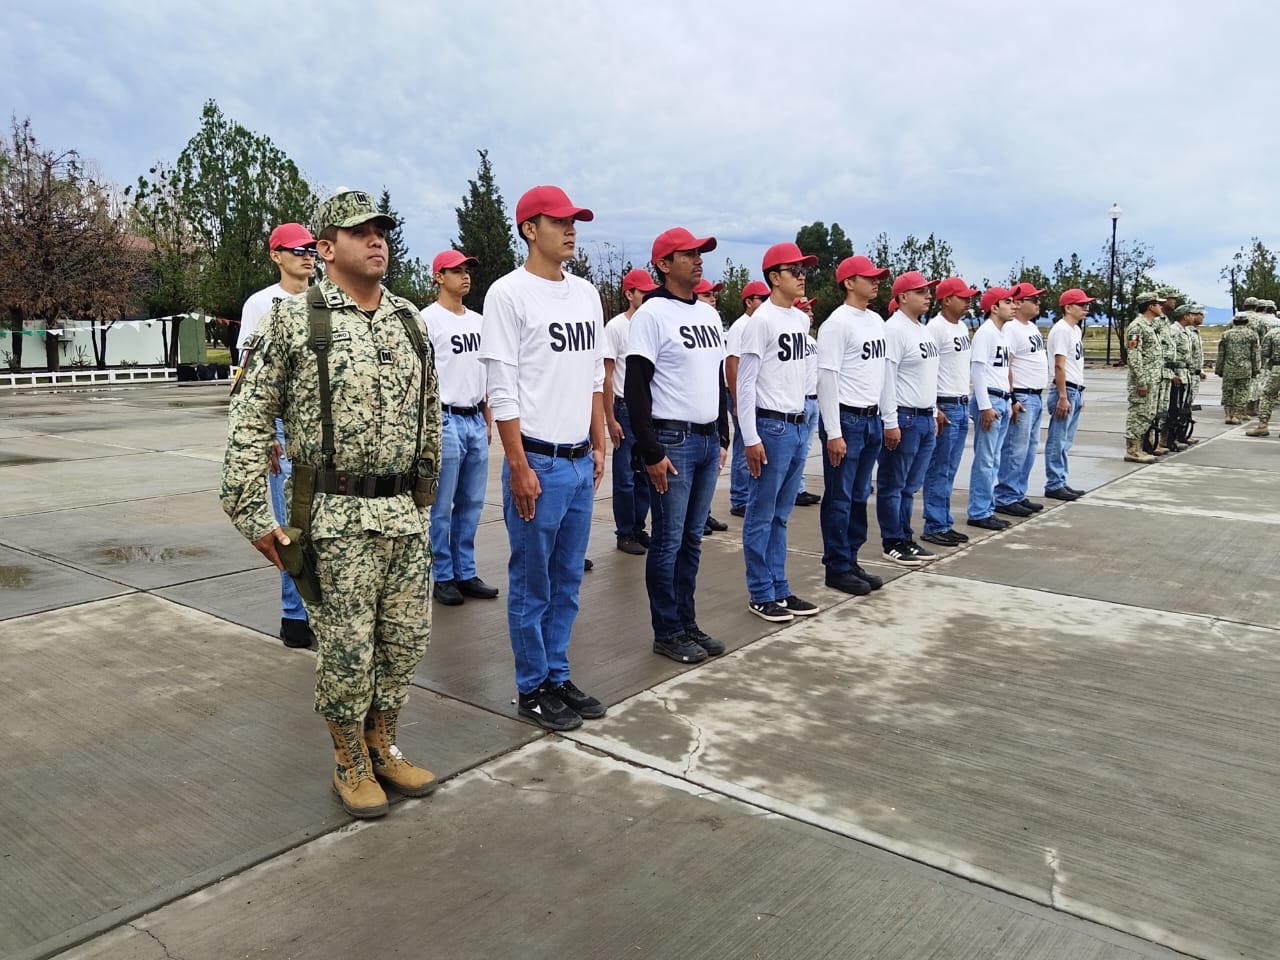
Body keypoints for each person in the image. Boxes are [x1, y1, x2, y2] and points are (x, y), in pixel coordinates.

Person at [222, 188, 442, 818]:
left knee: (404, 642)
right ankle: (349, 760)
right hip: (337, 519)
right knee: (347, 652)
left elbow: (428, 412)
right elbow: (249, 416)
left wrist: (425, 490)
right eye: (359, 231)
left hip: (401, 512)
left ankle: (383, 746)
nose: (376, 239)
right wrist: (254, 516)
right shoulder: (295, 319)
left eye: (382, 230)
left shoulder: (407, 318)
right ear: (325, 248)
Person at [479, 184, 606, 733]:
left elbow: (596, 376)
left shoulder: (586, 295)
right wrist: (518, 466)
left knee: (568, 581)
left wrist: (599, 443)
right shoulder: (508, 295)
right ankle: (532, 687)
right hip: (538, 462)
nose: (571, 228)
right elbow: (502, 388)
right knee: (533, 583)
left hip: (579, 461)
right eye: (559, 221)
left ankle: (558, 673)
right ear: (530, 228)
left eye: (574, 220)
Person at [625, 226, 730, 663]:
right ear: (664, 265)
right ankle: (667, 630)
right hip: (673, 439)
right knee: (667, 541)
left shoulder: (707, 315)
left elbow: (717, 379)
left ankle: (687, 622)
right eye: (687, 254)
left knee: (691, 539)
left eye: (700, 252)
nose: (698, 259)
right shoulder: (653, 315)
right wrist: (651, 451)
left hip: (706, 440)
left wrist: (723, 433)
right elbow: (635, 388)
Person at [236, 223, 318, 650]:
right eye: (297, 249)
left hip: (320, 423)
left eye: (311, 248)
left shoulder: (322, 299)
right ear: (275, 255)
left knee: (321, 521)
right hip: (283, 423)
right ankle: (294, 616)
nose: (307, 255)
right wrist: (264, 432)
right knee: (290, 522)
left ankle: (317, 609)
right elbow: (248, 374)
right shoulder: (261, 304)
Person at [736, 241, 822, 622]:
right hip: (770, 424)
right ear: (774, 277)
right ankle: (760, 591)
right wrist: (750, 436)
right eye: (795, 270)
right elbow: (745, 382)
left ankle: (780, 587)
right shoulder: (762, 321)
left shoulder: (799, 320)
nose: (802, 277)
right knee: (761, 512)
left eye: (804, 270)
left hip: (796, 420)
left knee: (781, 514)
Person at [422, 249, 500, 606]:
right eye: (455, 271)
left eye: (467, 269)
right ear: (438, 277)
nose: (464, 276)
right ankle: (443, 574)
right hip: (444, 417)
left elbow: (484, 372)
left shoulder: (480, 321)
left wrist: (487, 416)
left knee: (471, 501)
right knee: (442, 504)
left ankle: (465, 571)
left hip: (473, 416)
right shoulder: (428, 320)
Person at [816, 254, 891, 595]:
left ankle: (851, 556)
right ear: (849, 282)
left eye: (877, 277)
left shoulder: (876, 321)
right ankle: (836, 566)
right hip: (846, 419)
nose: (876, 281)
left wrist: (887, 418)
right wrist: (834, 432)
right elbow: (827, 380)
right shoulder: (837, 323)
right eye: (869, 277)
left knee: (860, 495)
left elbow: (883, 373)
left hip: (871, 417)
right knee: (840, 497)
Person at [876, 271, 941, 566]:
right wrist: (890, 421)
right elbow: (887, 379)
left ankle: (906, 536)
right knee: (893, 484)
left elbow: (928, 375)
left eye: (929, 290)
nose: (928, 295)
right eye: (921, 291)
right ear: (903, 297)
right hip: (904, 417)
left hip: (925, 418)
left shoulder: (922, 330)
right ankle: (893, 540)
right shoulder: (894, 331)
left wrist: (935, 408)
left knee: (910, 485)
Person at [603, 267, 658, 555]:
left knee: (645, 474)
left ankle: (638, 527)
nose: (648, 296)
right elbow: (607, 375)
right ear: (629, 294)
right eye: (643, 292)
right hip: (624, 409)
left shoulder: (651, 323)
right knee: (624, 476)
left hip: (648, 411)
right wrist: (610, 418)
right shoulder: (616, 327)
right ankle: (624, 532)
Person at [921, 276, 976, 546]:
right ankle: (934, 524)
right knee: (938, 468)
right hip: (945, 404)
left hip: (960, 402)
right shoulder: (936, 328)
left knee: (950, 468)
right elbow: (928, 370)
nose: (968, 302)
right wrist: (934, 408)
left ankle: (943, 520)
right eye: (962, 297)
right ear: (946, 300)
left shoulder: (962, 328)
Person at [993, 282, 1047, 517]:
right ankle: (1006, 495)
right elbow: (1008, 365)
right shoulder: (1012, 328)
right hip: (1023, 395)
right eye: (1033, 299)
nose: (1038, 303)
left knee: (1028, 449)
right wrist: (1013, 397)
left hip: (1035, 395)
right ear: (1018, 302)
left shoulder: (1032, 327)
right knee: (1015, 448)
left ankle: (1017, 492)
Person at [967, 287, 1017, 530]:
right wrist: (985, 406)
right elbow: (977, 370)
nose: (1013, 305)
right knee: (985, 459)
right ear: (994, 307)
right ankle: (978, 511)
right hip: (990, 400)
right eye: (1008, 301)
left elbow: (1002, 371)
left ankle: (986, 507)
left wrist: (1010, 400)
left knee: (994, 458)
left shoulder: (1003, 334)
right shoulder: (985, 333)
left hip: (1001, 399)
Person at [1043, 288, 1093, 500]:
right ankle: (1054, 482)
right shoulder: (1062, 330)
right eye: (1081, 305)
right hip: (1065, 389)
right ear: (1068, 307)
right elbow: (1059, 365)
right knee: (1058, 438)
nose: (1086, 309)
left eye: (1086, 305)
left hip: (1075, 388)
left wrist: (1080, 392)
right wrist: (1063, 395)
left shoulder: (1075, 330)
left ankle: (1061, 479)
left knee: (1066, 440)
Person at [726, 280, 769, 517]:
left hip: (756, 396)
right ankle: (739, 497)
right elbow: (732, 364)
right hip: (741, 396)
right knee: (744, 445)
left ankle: (748, 494)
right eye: (761, 298)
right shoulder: (740, 327)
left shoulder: (760, 324)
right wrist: (736, 400)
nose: (764, 302)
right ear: (748, 301)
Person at [692, 277, 729, 536]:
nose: (712, 298)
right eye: (707, 294)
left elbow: (718, 379)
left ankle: (703, 514)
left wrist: (723, 434)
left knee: (706, 477)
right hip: (684, 427)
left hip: (710, 423)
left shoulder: (713, 324)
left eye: (714, 294)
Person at [1124, 292, 1165, 460]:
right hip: (1144, 380)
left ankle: (1140, 447)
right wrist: (1141, 381)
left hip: (1153, 378)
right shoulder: (1137, 326)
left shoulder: (1149, 326)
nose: (1161, 307)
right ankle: (1132, 450)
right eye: (1158, 304)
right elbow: (1134, 356)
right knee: (1138, 413)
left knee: (1147, 414)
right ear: (1150, 306)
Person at [793, 297, 822, 507]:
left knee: (806, 448)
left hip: (813, 400)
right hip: (799, 400)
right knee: (796, 449)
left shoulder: (811, 341)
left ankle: (799, 487)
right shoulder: (794, 340)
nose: (810, 314)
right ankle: (795, 488)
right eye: (806, 309)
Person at [1217, 309, 1261, 426]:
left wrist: (1219, 369)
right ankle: (1236, 415)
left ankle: (1227, 414)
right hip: (1245, 368)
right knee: (1242, 392)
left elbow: (1221, 353)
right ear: (1246, 322)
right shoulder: (1251, 334)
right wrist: (1256, 369)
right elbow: (1255, 354)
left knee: (1227, 391)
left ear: (1234, 322)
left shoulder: (1226, 334)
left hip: (1228, 368)